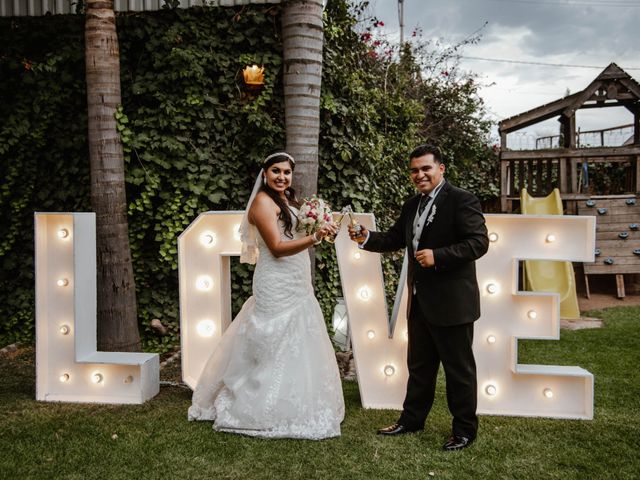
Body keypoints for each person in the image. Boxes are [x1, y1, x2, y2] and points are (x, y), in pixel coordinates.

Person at [189, 152, 345, 440]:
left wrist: (317, 224)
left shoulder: (286, 201)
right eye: (276, 171)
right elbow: (275, 246)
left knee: (296, 339)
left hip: (297, 278)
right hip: (275, 279)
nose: (282, 177)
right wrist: (315, 237)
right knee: (271, 339)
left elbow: (292, 235)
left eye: (286, 172)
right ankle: (257, 405)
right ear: (265, 174)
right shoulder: (262, 202)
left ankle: (294, 401)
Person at [348, 144, 488, 451]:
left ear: (441, 168)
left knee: (459, 372)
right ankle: (411, 420)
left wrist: (437, 256)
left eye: (426, 168)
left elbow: (478, 243)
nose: (419, 174)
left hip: (453, 304)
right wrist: (365, 237)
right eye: (414, 170)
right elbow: (395, 238)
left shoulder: (462, 200)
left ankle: (465, 431)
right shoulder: (412, 205)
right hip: (420, 303)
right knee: (419, 368)